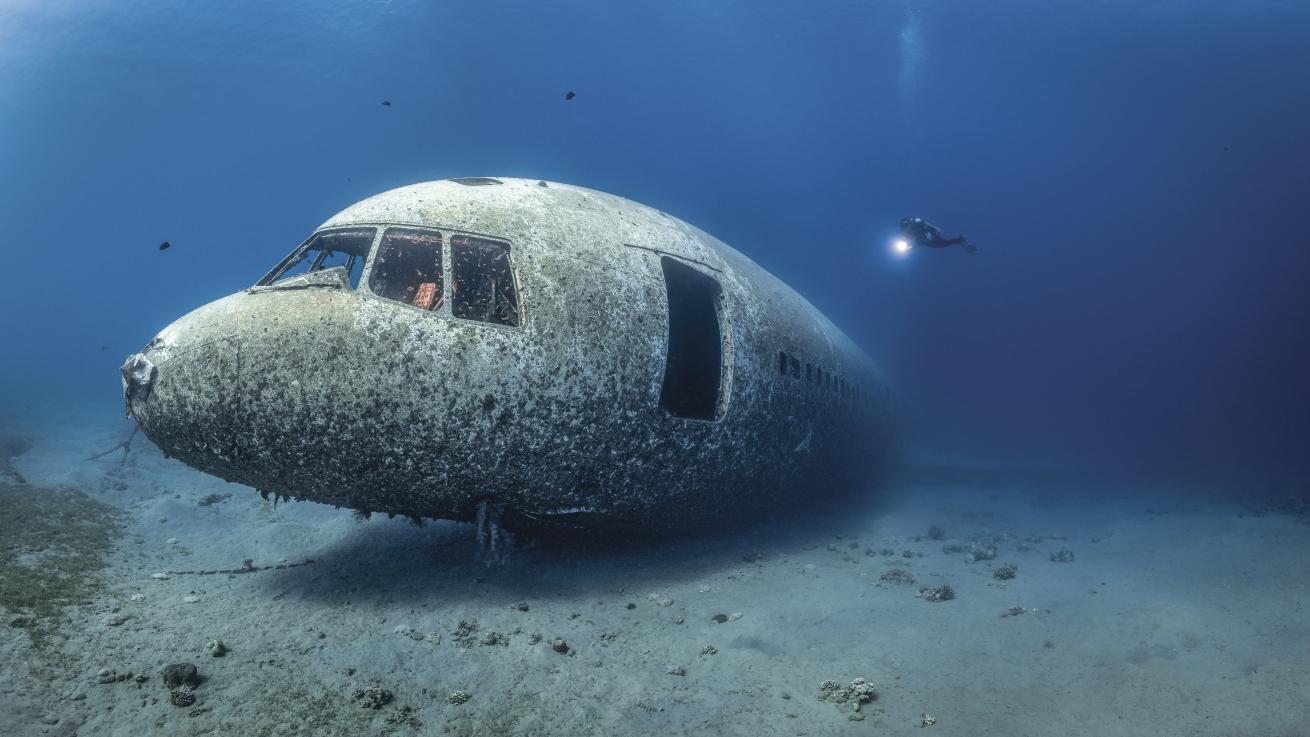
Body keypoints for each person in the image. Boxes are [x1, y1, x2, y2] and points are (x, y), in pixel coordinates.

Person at [899, 217, 977, 254]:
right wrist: (909, 248)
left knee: (945, 243)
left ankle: (962, 240)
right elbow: (919, 242)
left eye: (905, 228)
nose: (905, 231)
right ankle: (961, 240)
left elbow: (925, 230)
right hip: (928, 241)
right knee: (945, 244)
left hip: (931, 238)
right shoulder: (912, 232)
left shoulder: (916, 226)